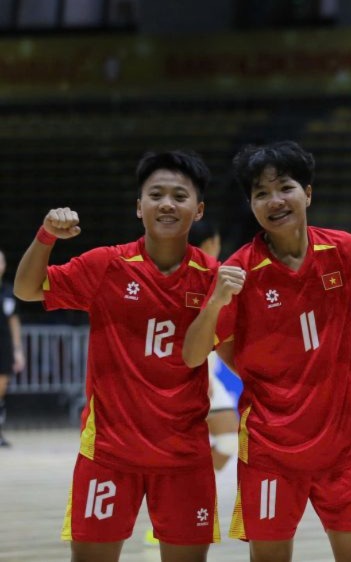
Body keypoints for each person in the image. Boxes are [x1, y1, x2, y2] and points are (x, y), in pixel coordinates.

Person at [181, 140, 351, 562]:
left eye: (285, 187)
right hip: (269, 449)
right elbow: (200, 353)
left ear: (307, 193)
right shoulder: (239, 272)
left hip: (344, 447)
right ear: (251, 204)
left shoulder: (346, 251)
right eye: (261, 193)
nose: (275, 200)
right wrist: (217, 308)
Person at [13, 151, 220, 562]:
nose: (166, 204)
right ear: (139, 206)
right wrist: (46, 236)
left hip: (184, 456)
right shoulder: (107, 265)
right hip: (109, 453)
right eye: (156, 195)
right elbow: (27, 288)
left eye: (179, 196)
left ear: (198, 210)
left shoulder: (214, 277)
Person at [188, 220, 240, 471]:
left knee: (229, 439)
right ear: (211, 243)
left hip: (204, 369)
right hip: (188, 371)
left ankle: (190, 485)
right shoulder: (194, 277)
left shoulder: (217, 275)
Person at [0, 249, 25, 448]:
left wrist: (17, 350)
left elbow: (14, 321)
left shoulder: (9, 291)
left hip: (4, 345)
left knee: (1, 389)